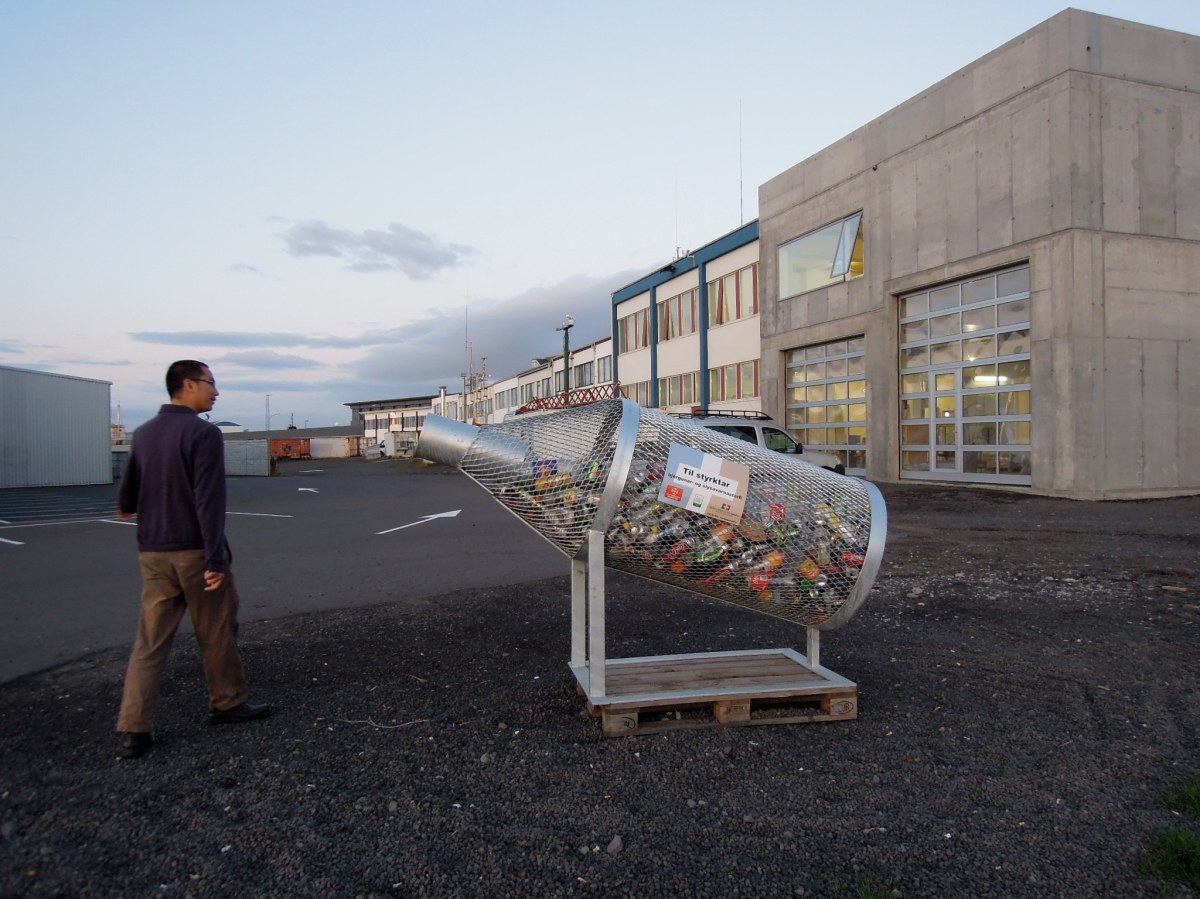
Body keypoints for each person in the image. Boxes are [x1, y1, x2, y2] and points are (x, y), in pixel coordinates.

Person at [115, 360, 270, 759]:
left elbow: (128, 493)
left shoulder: (145, 433)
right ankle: (227, 703)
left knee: (149, 642)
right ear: (188, 385)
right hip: (194, 553)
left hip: (152, 552)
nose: (216, 392)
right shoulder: (203, 433)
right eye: (211, 384)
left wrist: (133, 505)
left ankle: (134, 729)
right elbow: (209, 499)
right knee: (216, 631)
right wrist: (214, 560)